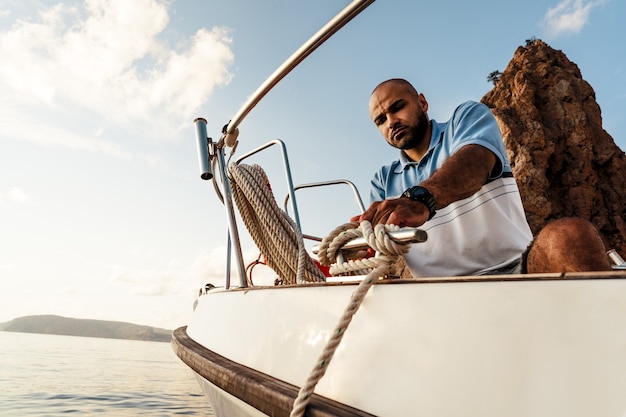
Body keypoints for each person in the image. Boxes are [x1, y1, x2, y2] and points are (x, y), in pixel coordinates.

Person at [358, 78, 611, 276]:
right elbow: (376, 240)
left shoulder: (465, 119)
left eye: (398, 107)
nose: (391, 121)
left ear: (422, 103)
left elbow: (477, 161)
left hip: (517, 269)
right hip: (437, 294)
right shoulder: (382, 180)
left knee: (570, 235)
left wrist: (421, 199)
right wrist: (358, 248)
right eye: (381, 120)